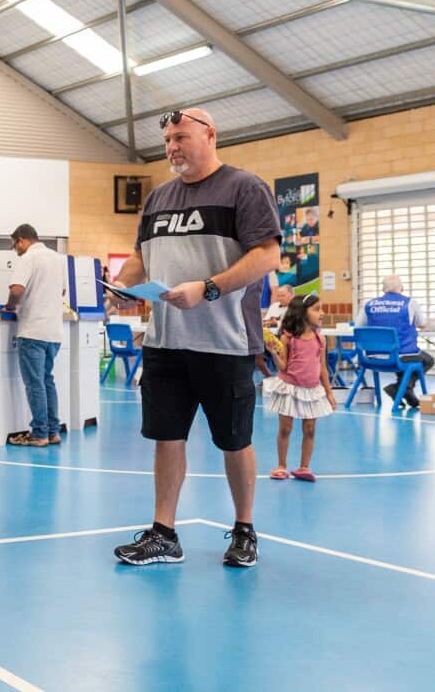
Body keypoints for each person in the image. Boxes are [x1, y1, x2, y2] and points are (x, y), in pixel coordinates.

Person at [107, 108, 281, 568]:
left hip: (225, 342)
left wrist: (208, 288)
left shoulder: (245, 188)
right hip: (165, 341)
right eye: (167, 141)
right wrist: (124, 289)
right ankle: (164, 532)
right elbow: (140, 257)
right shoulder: (159, 198)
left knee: (234, 440)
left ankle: (244, 529)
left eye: (181, 137)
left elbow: (267, 254)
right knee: (167, 437)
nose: (172, 148)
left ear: (210, 135)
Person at [3, 224, 67, 447]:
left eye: (15, 246)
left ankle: (39, 434)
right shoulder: (58, 258)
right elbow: (62, 292)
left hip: (33, 331)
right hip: (54, 332)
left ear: (21, 240)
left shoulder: (28, 258)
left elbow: (17, 289)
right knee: (47, 380)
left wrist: (10, 306)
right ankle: (52, 431)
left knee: (35, 384)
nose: (16, 250)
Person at [263, 294, 336, 482]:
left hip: (312, 390)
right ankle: (281, 465)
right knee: (286, 428)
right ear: (303, 312)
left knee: (310, 428)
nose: (322, 313)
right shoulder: (289, 338)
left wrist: (328, 392)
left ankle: (304, 467)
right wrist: (273, 352)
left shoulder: (320, 339)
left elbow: (322, 368)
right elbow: (284, 367)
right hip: (290, 388)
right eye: (317, 309)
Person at [355, 276, 433, 407]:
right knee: (428, 360)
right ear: (401, 288)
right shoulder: (409, 303)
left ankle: (406, 391)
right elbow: (422, 324)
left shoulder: (369, 305)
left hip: (372, 356)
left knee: (404, 359)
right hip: (399, 356)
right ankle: (400, 388)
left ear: (383, 289)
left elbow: (358, 327)